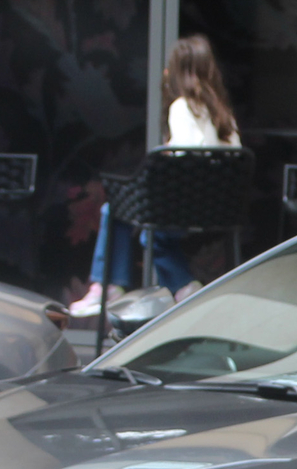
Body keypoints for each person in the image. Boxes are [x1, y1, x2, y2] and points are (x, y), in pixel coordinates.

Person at [65, 35, 242, 318]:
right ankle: (185, 289)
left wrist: (168, 153)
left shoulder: (182, 107)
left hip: (183, 203)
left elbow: (187, 156)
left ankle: (107, 286)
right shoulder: (224, 115)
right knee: (155, 237)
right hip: (217, 208)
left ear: (177, 72)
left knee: (114, 209)